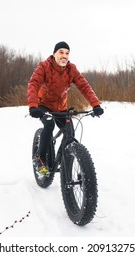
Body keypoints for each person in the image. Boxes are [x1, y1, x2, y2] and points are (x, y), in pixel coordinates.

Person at [27, 41, 104, 176]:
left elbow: (84, 86)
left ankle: (66, 160)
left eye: (67, 53)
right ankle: (40, 160)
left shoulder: (71, 69)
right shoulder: (44, 67)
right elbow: (33, 84)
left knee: (70, 132)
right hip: (43, 105)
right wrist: (33, 106)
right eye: (61, 52)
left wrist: (95, 104)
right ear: (54, 54)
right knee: (49, 124)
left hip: (61, 107)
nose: (64, 56)